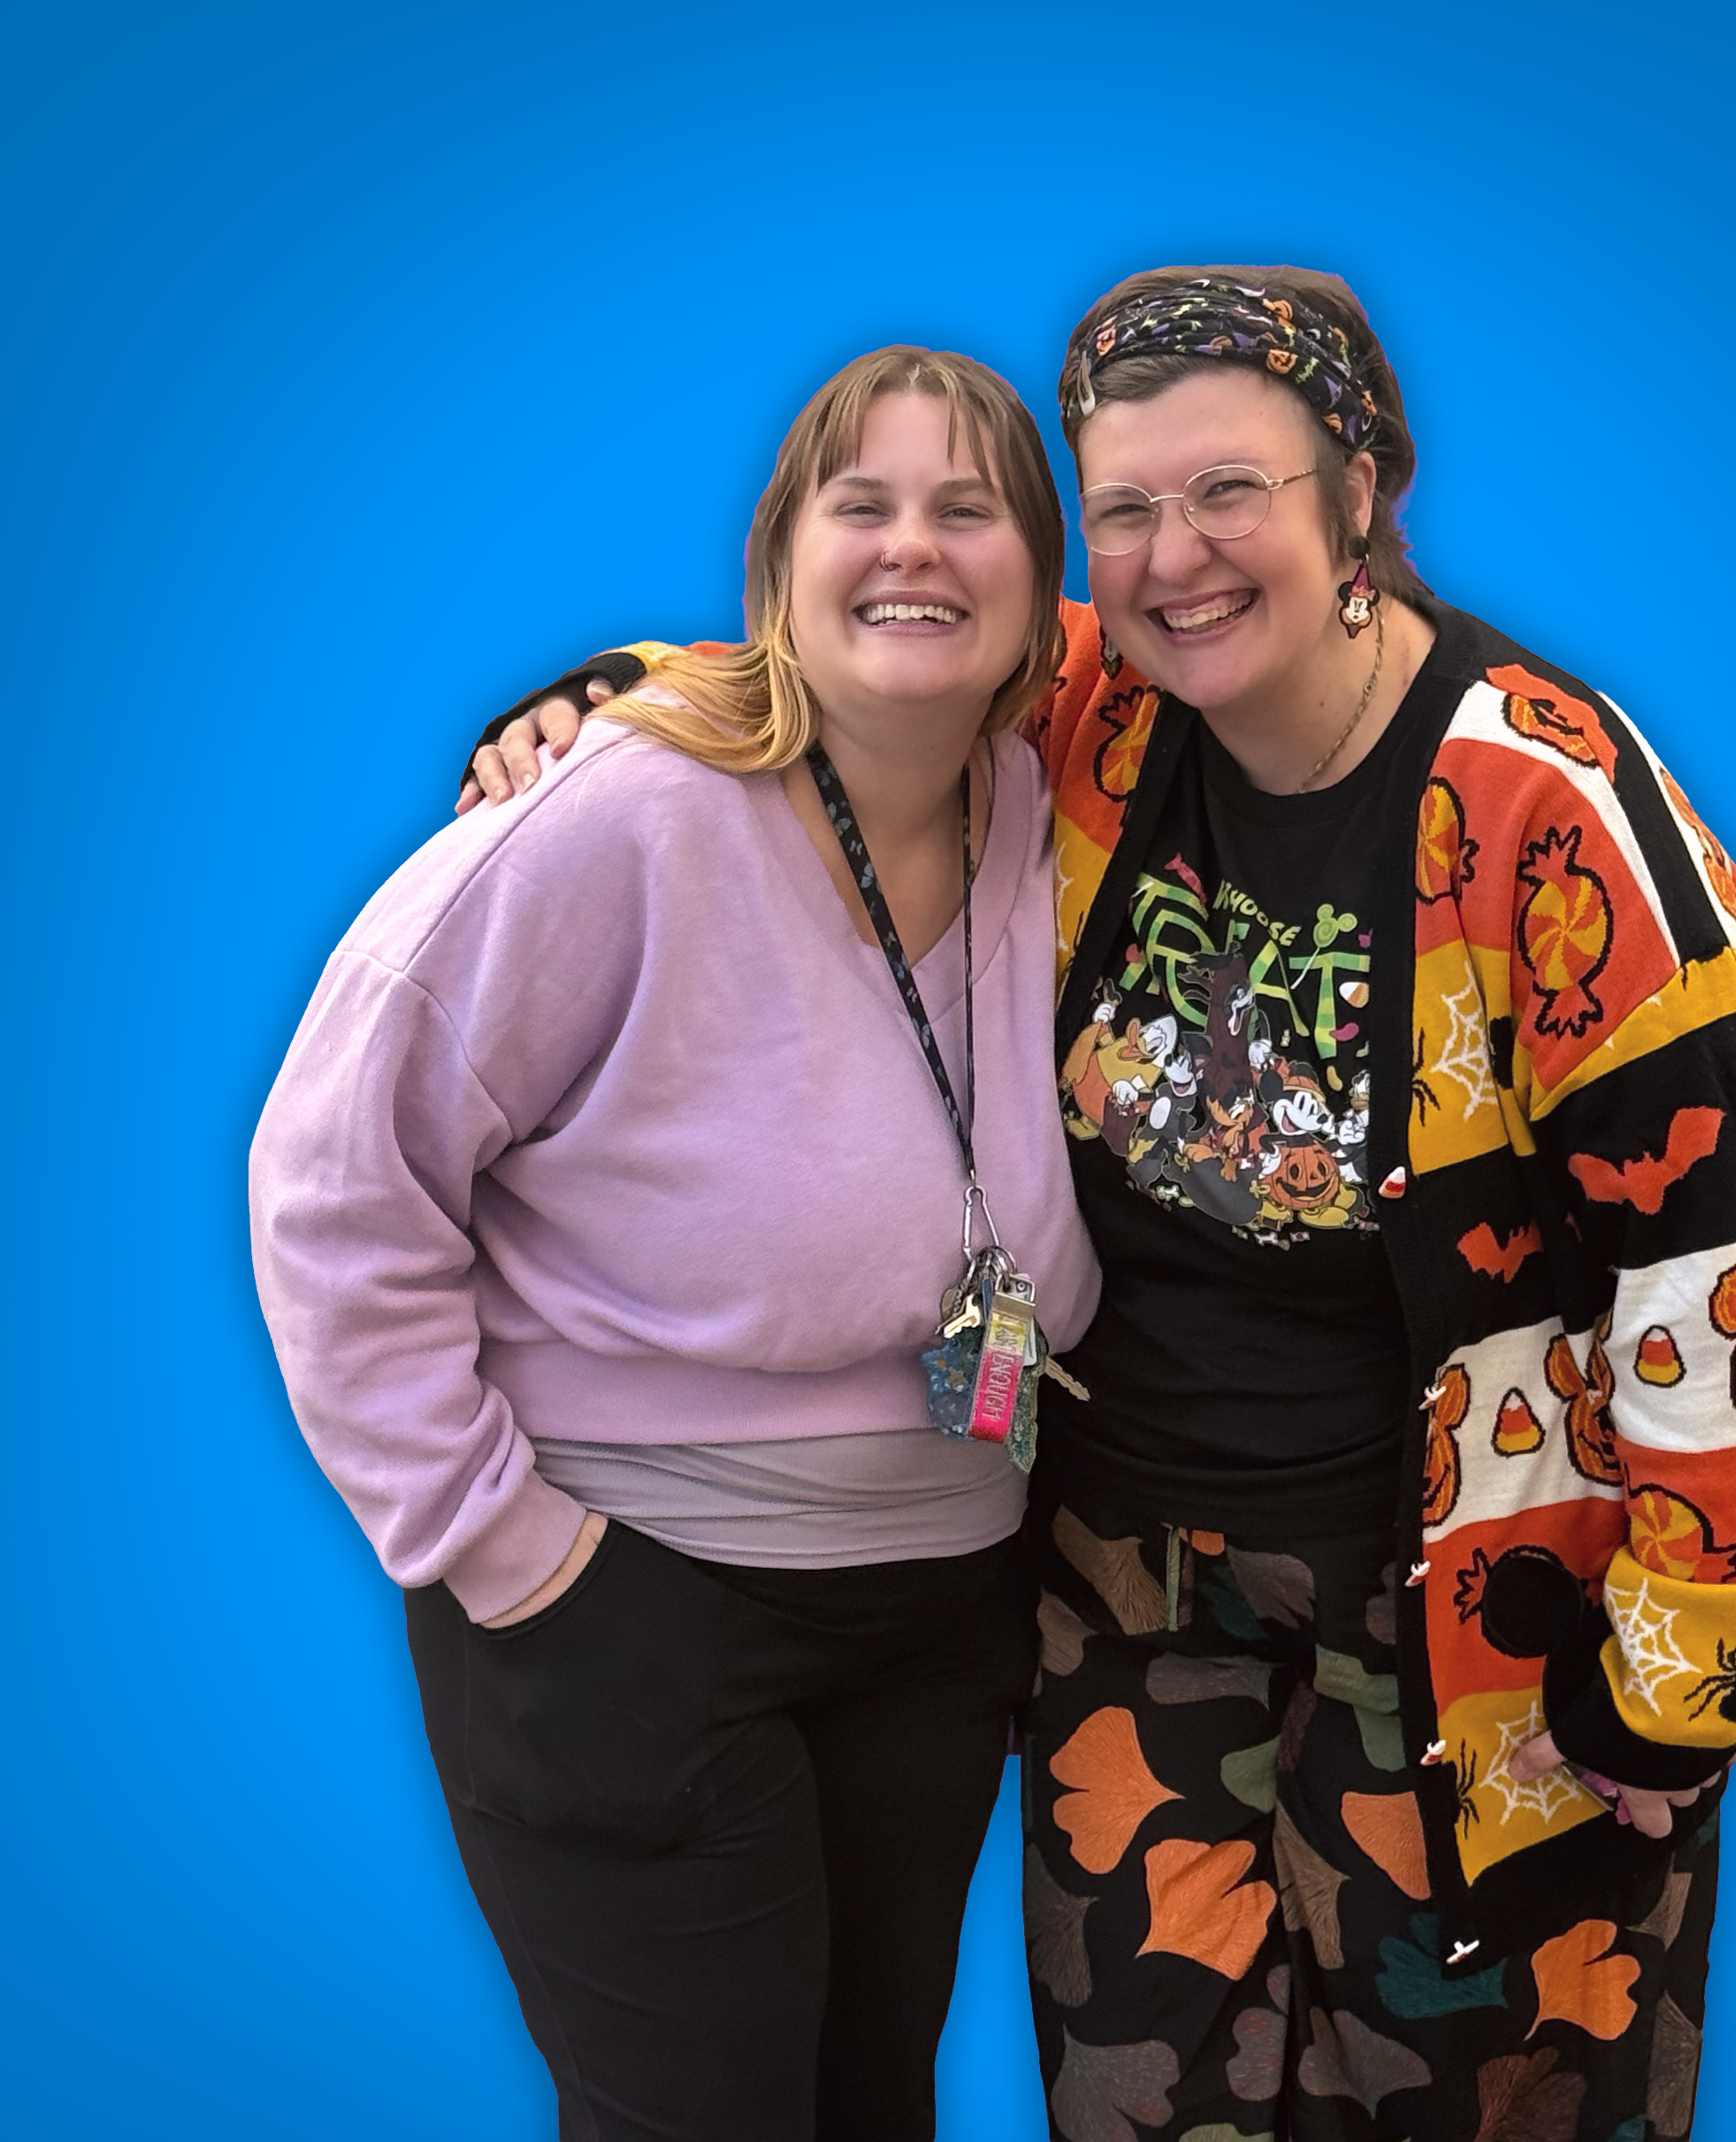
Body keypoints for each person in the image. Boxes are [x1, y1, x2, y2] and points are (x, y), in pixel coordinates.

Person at [461, 265, 1736, 2141]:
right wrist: (608, 696)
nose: (1173, 556)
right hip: (1121, 1593)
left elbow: (1721, 1256)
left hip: (1476, 1624)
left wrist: (1680, 1671)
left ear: (1359, 490)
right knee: (1144, 2103)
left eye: (1230, 491)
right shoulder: (1094, 712)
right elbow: (869, 664)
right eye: (1122, 509)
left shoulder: (1548, 808)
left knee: (1486, 2097)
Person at [248, 346, 1100, 2142]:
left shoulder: (1039, 805)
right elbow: (336, 1171)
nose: (913, 547)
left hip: (941, 1609)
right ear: (778, 561)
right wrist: (508, 1550)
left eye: (969, 508)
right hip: (633, 1598)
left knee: (869, 2105)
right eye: (860, 504)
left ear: (1043, 576)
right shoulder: (623, 811)